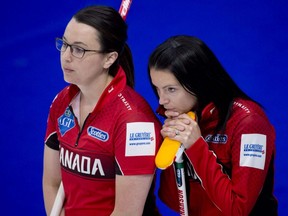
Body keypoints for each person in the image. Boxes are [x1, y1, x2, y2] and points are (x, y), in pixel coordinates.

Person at [42, 5, 162, 216]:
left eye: (79, 49)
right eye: (65, 44)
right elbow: (52, 183)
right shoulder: (61, 102)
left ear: (109, 58)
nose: (66, 56)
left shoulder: (134, 122)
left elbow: (127, 213)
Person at [148, 35, 278, 215]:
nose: (162, 100)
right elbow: (171, 199)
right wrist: (174, 148)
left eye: (171, 89)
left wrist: (196, 146)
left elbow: (238, 210)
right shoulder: (188, 118)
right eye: (157, 89)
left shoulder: (250, 123)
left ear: (199, 82)